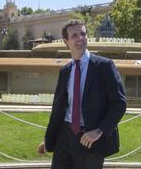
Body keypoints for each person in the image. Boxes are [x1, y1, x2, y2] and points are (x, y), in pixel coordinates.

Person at [37, 20, 126, 169]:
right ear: (66, 41)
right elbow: (58, 108)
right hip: (64, 137)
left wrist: (99, 131)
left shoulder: (104, 66)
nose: (80, 38)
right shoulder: (65, 71)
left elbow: (119, 103)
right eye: (74, 35)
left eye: (83, 34)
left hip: (90, 139)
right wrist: (49, 139)